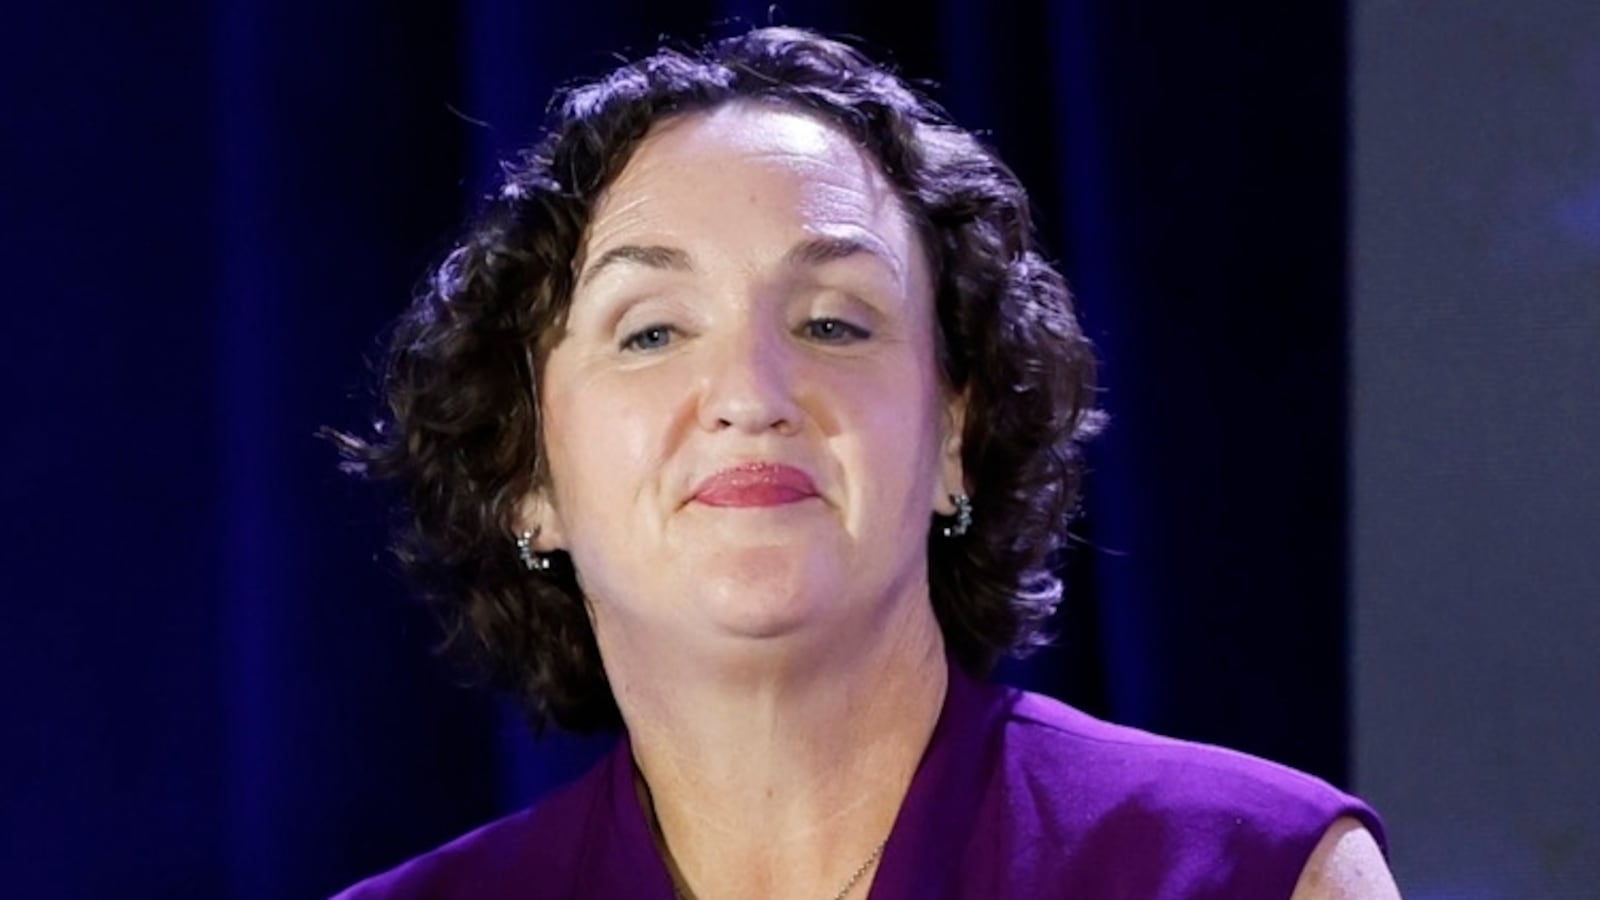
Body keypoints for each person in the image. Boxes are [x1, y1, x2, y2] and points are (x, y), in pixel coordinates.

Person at [329, 25, 1400, 900]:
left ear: (952, 439)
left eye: (834, 324)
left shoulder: (1254, 871)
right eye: (651, 331)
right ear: (527, 476)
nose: (752, 394)